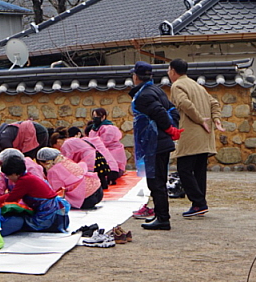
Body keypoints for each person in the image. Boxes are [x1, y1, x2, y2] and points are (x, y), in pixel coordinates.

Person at [168, 58, 225, 218]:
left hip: (191, 133)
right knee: (199, 170)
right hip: (205, 136)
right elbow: (214, 103)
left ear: (173, 71)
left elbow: (185, 104)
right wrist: (216, 119)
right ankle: (199, 203)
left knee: (184, 169)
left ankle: (198, 202)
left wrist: (200, 119)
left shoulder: (177, 85)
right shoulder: (197, 86)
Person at [129, 61, 182, 231]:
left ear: (136, 77)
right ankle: (160, 214)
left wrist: (168, 128)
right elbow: (172, 109)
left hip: (155, 143)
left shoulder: (144, 95)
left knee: (156, 181)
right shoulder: (157, 90)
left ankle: (163, 219)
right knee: (158, 179)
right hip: (160, 141)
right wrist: (170, 128)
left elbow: (160, 112)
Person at [0, 155, 70, 236]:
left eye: (8, 176)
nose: (8, 179)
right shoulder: (28, 177)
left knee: (16, 220)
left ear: (15, 174)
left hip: (49, 218)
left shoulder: (24, 181)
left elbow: (11, 197)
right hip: (56, 215)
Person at [36, 147, 103, 210]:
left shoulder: (53, 171)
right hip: (98, 190)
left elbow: (56, 191)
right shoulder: (66, 160)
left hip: (86, 199)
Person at [88, 108, 128, 183]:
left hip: (113, 156)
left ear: (103, 117)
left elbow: (103, 142)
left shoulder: (109, 128)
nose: (94, 118)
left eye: (96, 116)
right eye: (93, 116)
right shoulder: (95, 128)